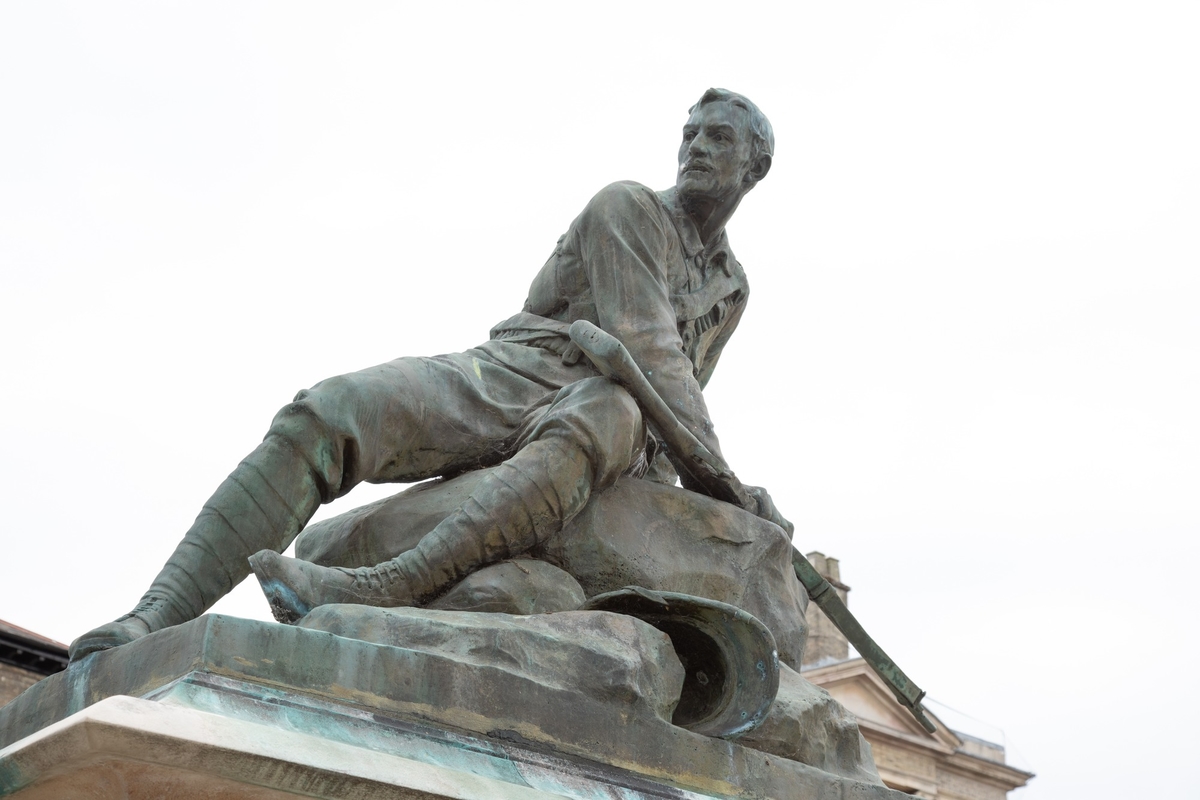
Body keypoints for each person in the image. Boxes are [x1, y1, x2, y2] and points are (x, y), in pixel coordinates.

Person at [69, 88, 788, 661]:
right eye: (690, 133)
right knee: (327, 412)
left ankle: (388, 586)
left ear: (754, 168)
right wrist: (725, 481)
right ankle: (151, 618)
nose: (695, 147)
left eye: (717, 138)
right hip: (516, 368)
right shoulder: (627, 206)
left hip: (603, 415)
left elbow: (674, 387)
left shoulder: (733, 288)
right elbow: (651, 346)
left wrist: (718, 488)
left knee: (615, 412)